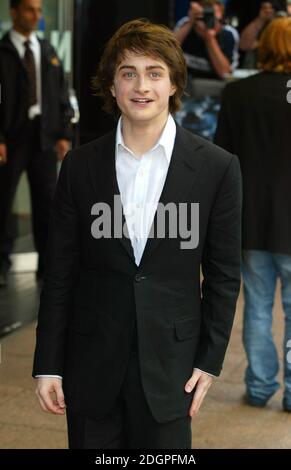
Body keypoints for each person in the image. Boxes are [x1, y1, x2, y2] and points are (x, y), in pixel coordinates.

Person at [33, 19, 242, 449]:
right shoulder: (80, 166)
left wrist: (210, 360)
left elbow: (223, 275)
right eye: (128, 72)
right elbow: (59, 272)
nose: (140, 85)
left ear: (173, 84)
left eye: (154, 72)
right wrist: (48, 364)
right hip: (90, 364)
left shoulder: (217, 168)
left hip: (173, 370)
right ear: (112, 86)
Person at [214, 17, 291, 412]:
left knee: (258, 307)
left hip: (250, 220)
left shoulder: (238, 92)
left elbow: (221, 157)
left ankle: (260, 387)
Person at [0, 0, 73, 287]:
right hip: (11, 137)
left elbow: (60, 92)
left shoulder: (47, 50)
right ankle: (2, 264)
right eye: (30, 9)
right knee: (3, 203)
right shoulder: (3, 51)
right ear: (14, 11)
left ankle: (47, 267)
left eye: (39, 10)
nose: (36, 16)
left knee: (47, 203)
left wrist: (64, 132)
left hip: (45, 136)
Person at [174, 0, 239, 79]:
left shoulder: (228, 34)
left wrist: (209, 38)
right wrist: (190, 22)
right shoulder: (185, 24)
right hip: (185, 82)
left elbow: (225, 73)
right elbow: (167, 52)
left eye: (214, 18)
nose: (209, 20)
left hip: (214, 86)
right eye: (206, 16)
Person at [239, 1, 278, 69]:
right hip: (254, 67)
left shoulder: (281, 25)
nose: (268, 10)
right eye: (264, 8)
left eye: (271, 8)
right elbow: (243, 46)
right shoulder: (255, 23)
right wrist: (261, 19)